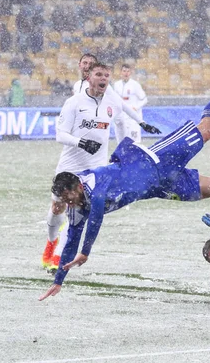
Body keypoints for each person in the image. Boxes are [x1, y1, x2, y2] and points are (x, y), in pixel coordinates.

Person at [39, 72, 210, 300]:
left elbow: (96, 215)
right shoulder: (76, 205)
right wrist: (58, 280)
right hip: (160, 186)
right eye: (65, 200)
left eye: (69, 197)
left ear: (77, 185)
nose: (68, 203)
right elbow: (72, 240)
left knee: (208, 129)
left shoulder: (92, 183)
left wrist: (86, 252)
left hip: (158, 159)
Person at [40, 61, 161, 273]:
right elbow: (60, 134)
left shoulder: (111, 102)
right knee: (57, 209)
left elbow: (123, 117)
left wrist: (129, 147)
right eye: (98, 74)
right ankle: (51, 243)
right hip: (70, 165)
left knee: (79, 211)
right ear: (89, 77)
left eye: (106, 75)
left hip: (95, 168)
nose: (103, 78)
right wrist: (81, 142)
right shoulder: (74, 102)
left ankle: (60, 256)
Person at [112, 64, 148, 144]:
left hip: (133, 119)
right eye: (124, 71)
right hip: (121, 117)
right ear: (121, 72)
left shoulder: (135, 85)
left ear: (130, 73)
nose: (126, 73)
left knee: (134, 142)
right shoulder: (116, 85)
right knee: (121, 141)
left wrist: (136, 107)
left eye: (128, 71)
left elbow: (144, 99)